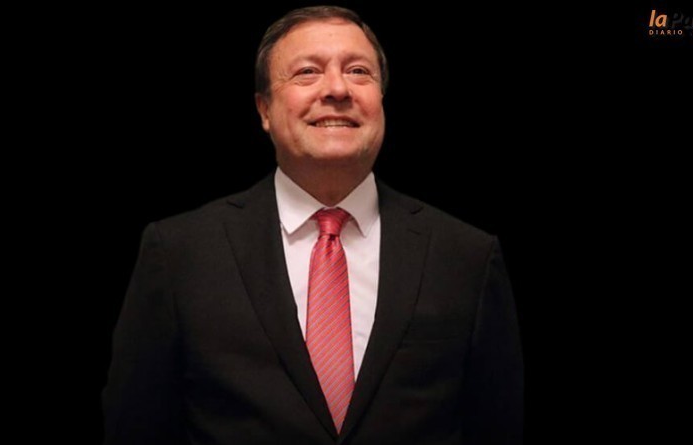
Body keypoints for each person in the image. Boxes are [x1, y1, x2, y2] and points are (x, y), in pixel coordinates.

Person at [103, 5, 523, 444]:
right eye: (308, 72)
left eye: (359, 72)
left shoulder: (466, 256)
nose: (338, 89)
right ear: (264, 109)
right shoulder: (179, 253)